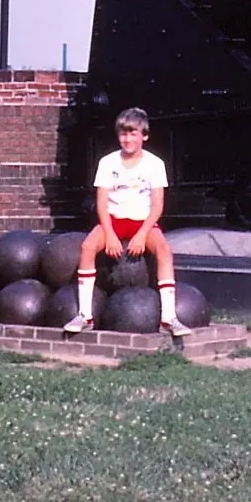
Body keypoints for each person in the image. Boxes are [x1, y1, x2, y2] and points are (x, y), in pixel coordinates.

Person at [63, 107, 192, 336]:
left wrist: (142, 234)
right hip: (113, 219)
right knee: (87, 247)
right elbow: (101, 203)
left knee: (164, 249)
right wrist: (110, 234)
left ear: (144, 136)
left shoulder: (155, 164)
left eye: (133, 134)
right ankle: (85, 315)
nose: (128, 139)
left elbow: (157, 206)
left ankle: (169, 319)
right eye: (123, 134)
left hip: (142, 221)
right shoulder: (107, 162)